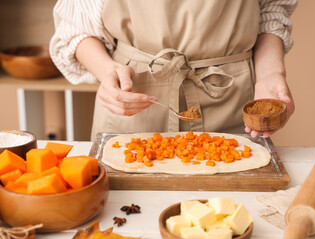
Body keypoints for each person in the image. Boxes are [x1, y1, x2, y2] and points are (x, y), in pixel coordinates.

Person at [50, 0, 297, 140]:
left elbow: (269, 12)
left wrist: (271, 74)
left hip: (229, 103)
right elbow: (77, 27)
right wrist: (106, 71)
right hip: (136, 104)